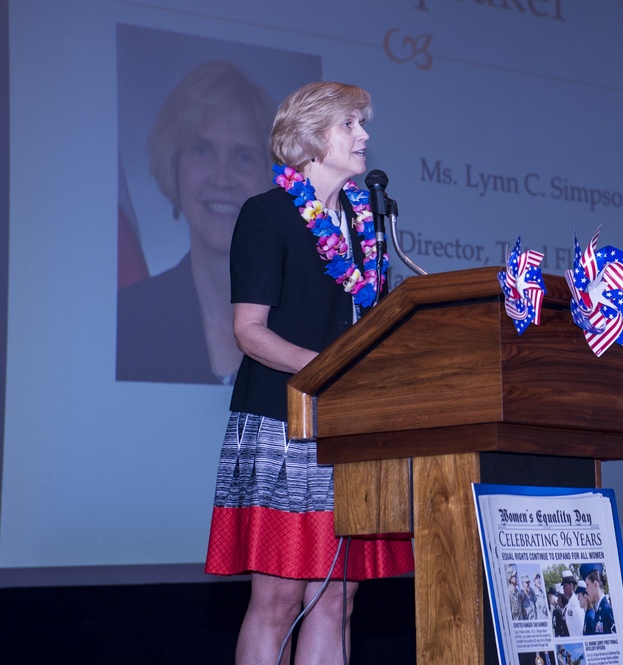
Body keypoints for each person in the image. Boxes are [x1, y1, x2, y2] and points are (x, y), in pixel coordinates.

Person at [204, 80, 412, 665]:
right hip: (283, 422)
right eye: (351, 123)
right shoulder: (266, 215)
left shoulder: (368, 224)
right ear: (311, 136)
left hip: (350, 427)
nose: (364, 134)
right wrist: (333, 370)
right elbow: (250, 332)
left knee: (339, 598)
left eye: (361, 123)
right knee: (278, 598)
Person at [116, 60, 274, 385]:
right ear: (174, 169)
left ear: (271, 181)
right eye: (202, 151)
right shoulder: (127, 322)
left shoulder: (309, 324)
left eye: (243, 157)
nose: (222, 178)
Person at [581, 562, 615, 635]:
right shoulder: (598, 609)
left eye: (587, 585)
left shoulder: (607, 610)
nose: (586, 590)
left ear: (595, 584)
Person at [561, 568, 585, 636]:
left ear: (571, 586)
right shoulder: (570, 603)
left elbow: (581, 626)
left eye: (565, 586)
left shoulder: (576, 603)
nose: (563, 588)